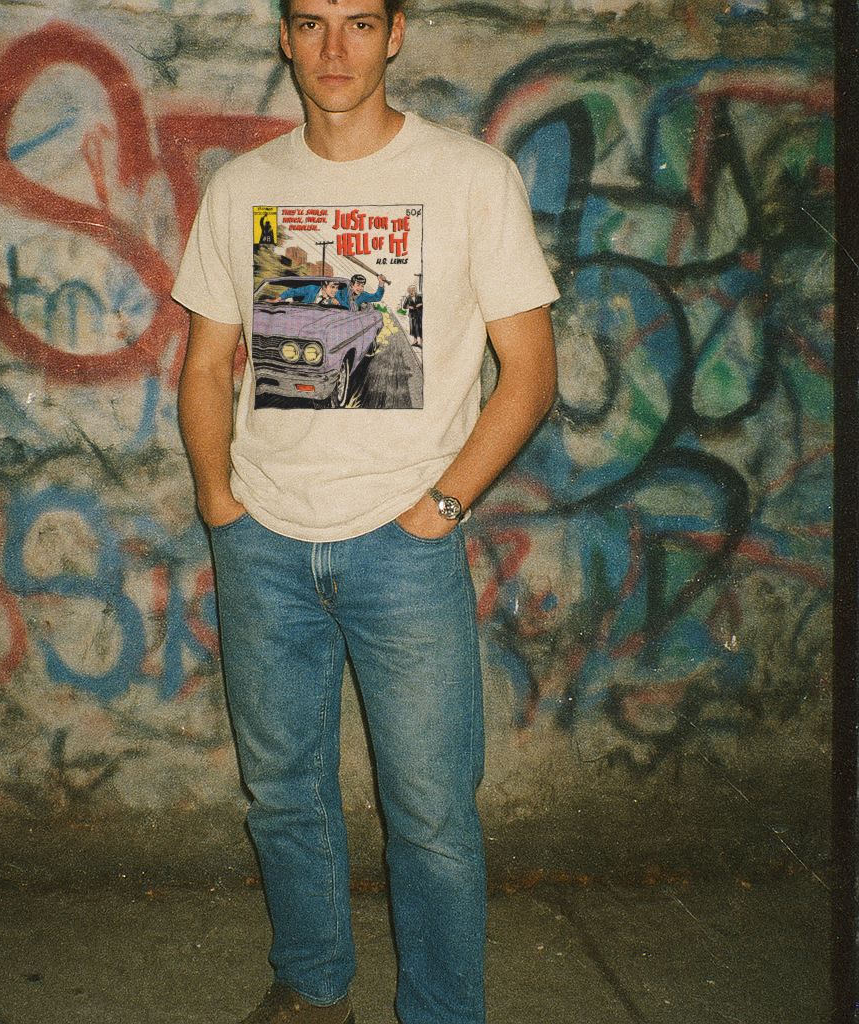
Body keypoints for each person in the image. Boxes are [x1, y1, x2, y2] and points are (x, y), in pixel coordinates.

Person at [173, 0, 559, 1019]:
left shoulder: (472, 178)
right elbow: (207, 362)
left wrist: (442, 503)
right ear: (284, 38)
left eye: (356, 22)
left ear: (395, 34)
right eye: (310, 23)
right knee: (284, 796)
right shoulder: (245, 187)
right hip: (264, 544)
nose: (333, 48)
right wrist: (221, 501)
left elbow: (529, 371)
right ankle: (311, 985)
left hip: (404, 547)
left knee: (429, 814)